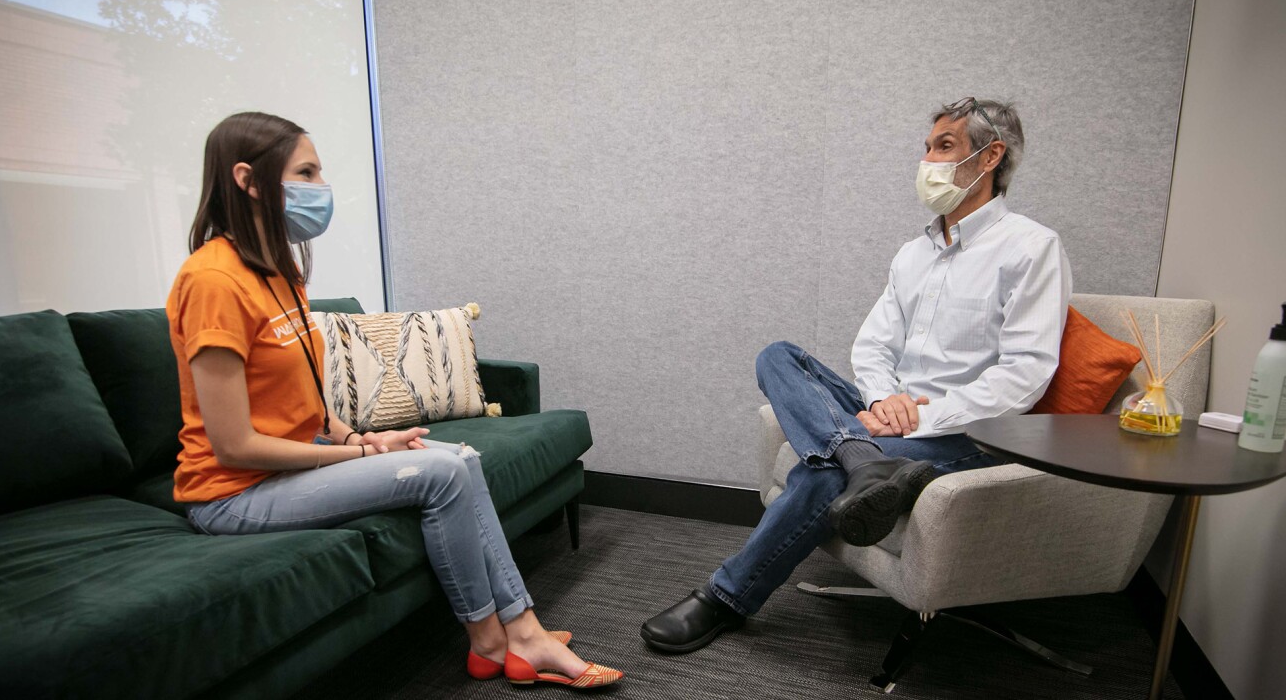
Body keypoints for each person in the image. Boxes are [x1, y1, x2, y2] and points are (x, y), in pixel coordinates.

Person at [168, 112, 622, 690]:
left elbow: (302, 394)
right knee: (440, 473)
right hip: (233, 494)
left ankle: (514, 635)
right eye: (305, 173)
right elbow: (234, 444)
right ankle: (496, 640)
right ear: (248, 180)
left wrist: (360, 437)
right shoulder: (210, 283)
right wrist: (362, 459)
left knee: (459, 457)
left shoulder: (278, 272)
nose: (319, 187)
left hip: (287, 463)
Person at [641, 98, 1072, 654]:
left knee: (823, 476)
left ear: (989, 157)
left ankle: (724, 597)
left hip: (965, 432)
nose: (928, 161)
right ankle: (862, 457)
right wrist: (885, 400)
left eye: (944, 147)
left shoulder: (1032, 248)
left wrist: (919, 414)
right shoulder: (912, 254)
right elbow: (874, 345)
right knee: (779, 356)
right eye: (927, 148)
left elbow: (1025, 375)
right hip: (885, 417)